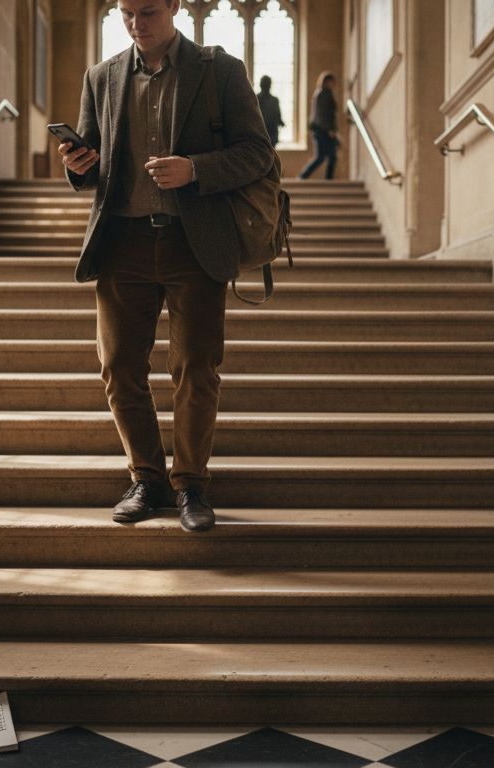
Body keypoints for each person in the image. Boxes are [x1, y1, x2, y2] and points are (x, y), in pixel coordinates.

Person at [57, 0, 274, 533]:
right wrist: (78, 166)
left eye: (148, 11)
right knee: (118, 366)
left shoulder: (221, 70)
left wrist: (194, 169)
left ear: (175, 5)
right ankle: (147, 478)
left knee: (195, 367)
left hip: (193, 243)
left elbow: (258, 154)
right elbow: (92, 166)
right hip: (121, 243)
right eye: (126, 13)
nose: (137, 24)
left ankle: (191, 484)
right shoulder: (101, 76)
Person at [298, 71, 338, 179]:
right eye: (332, 82)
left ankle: (305, 177)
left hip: (321, 129)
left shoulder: (321, 93)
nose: (334, 84)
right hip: (323, 130)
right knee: (323, 157)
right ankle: (302, 177)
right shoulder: (324, 94)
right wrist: (330, 129)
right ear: (327, 82)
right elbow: (323, 114)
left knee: (329, 157)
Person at [257, 75, 285, 147]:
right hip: (260, 133)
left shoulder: (274, 100)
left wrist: (280, 122)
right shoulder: (256, 99)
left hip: (271, 133)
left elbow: (278, 115)